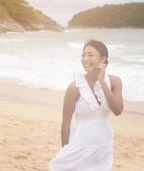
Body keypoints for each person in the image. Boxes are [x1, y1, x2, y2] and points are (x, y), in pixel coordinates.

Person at [49, 40, 123, 171]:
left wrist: (101, 81)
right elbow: (66, 122)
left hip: (103, 146)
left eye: (90, 55)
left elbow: (117, 110)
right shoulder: (74, 87)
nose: (85, 59)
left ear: (103, 59)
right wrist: (65, 149)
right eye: (83, 55)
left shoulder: (114, 82)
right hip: (79, 145)